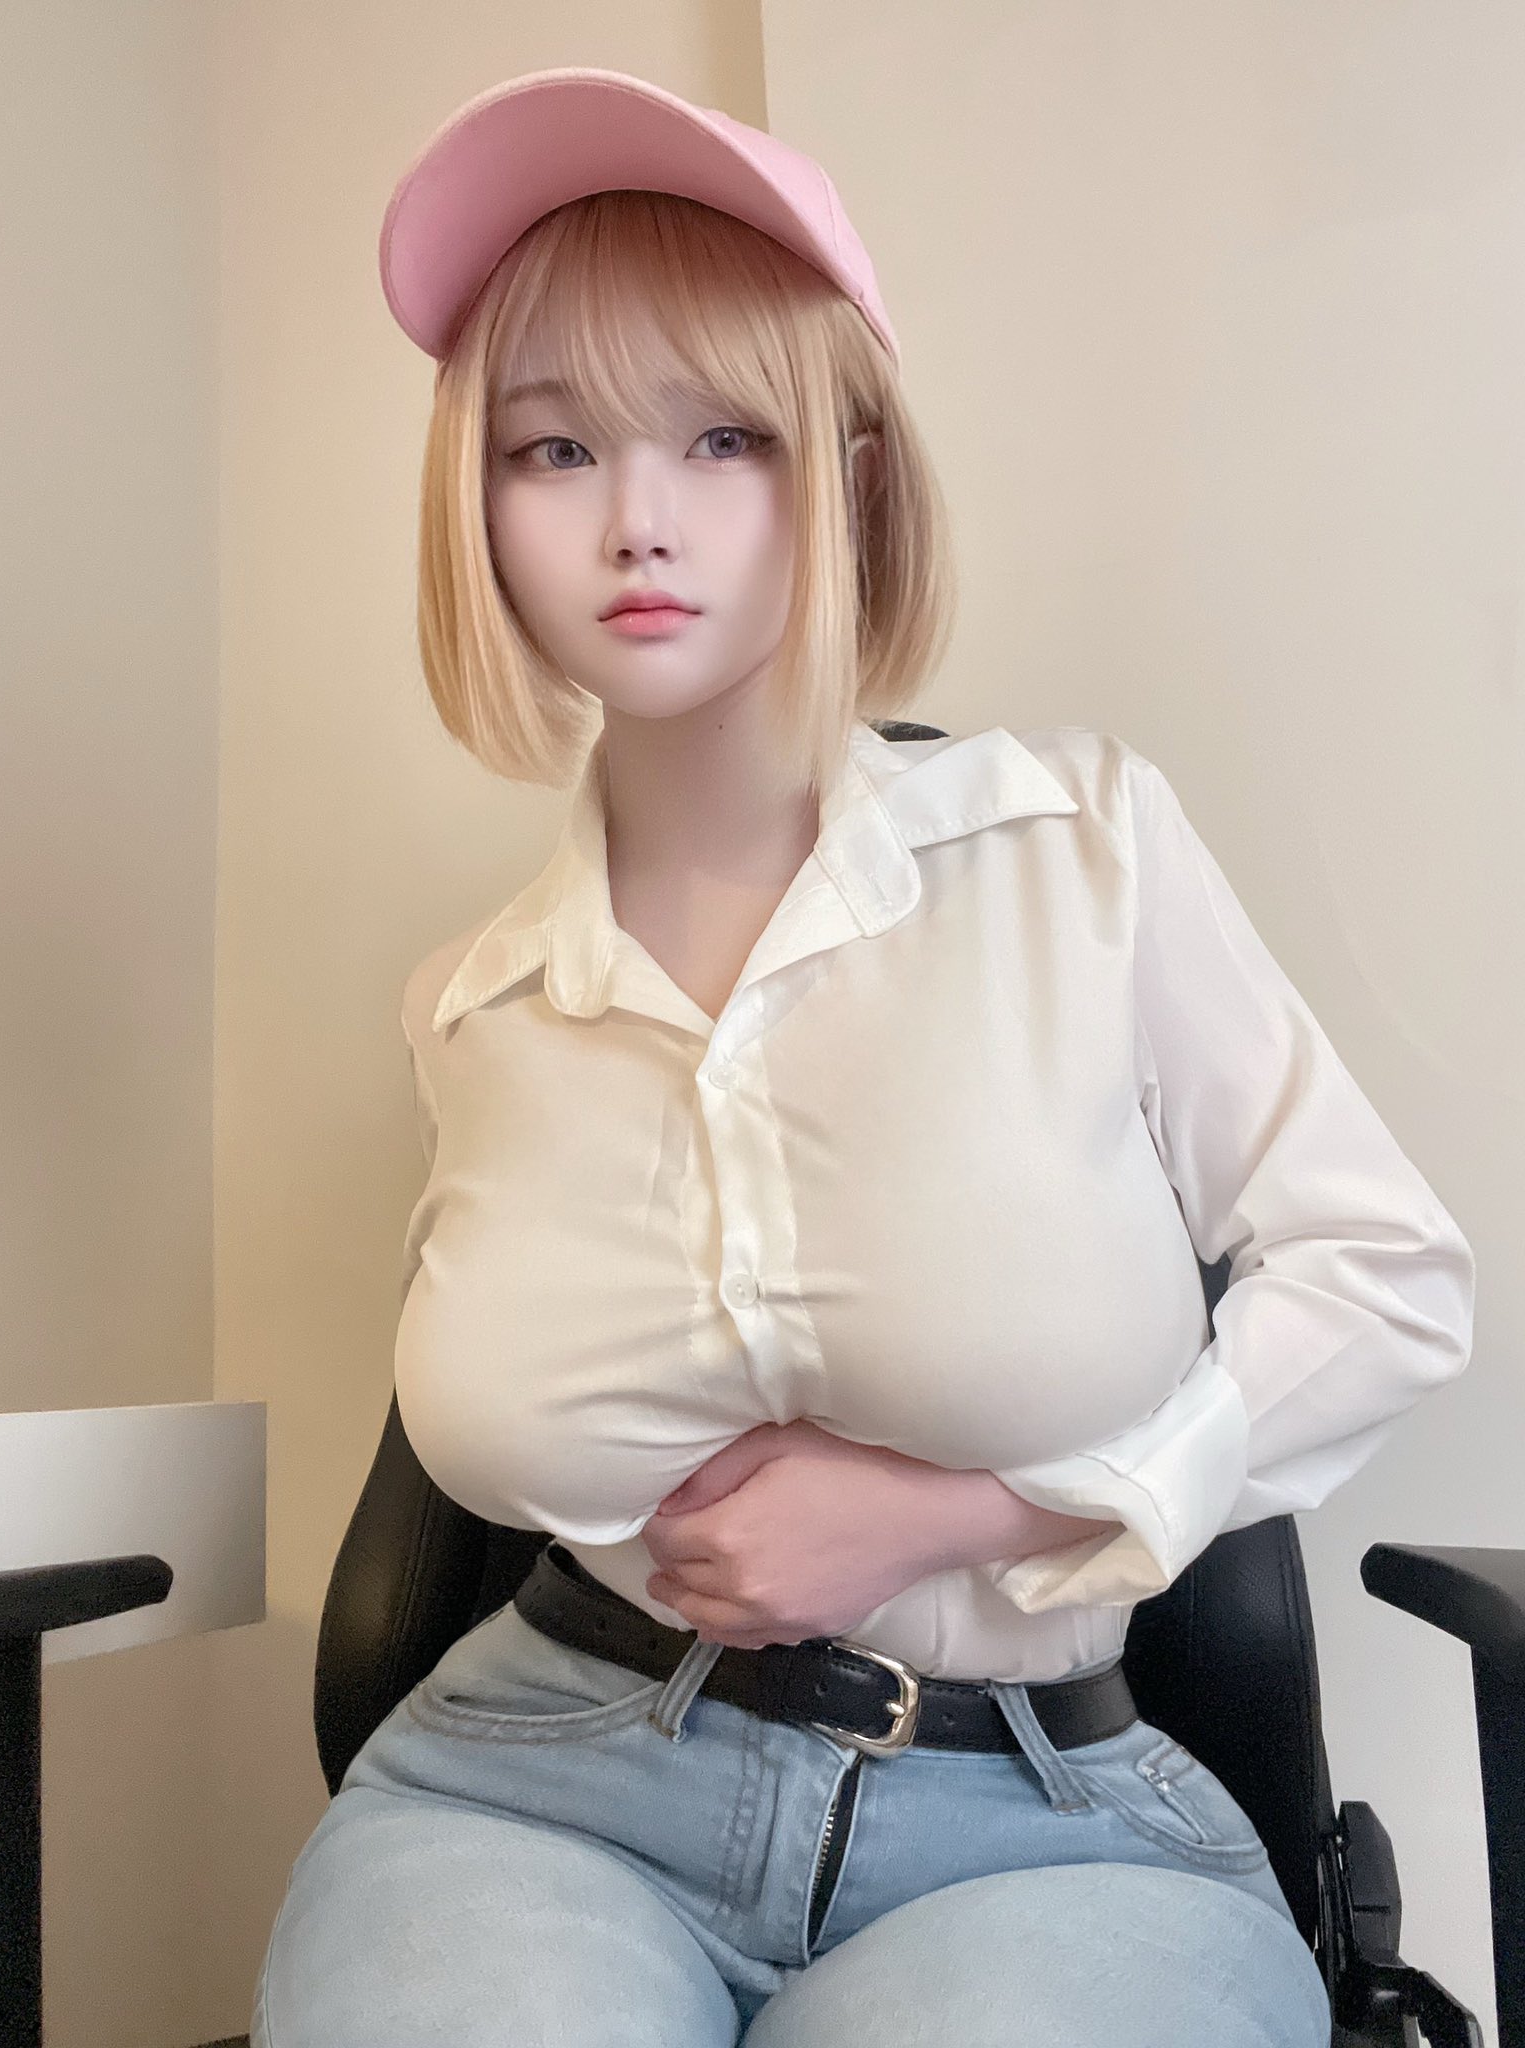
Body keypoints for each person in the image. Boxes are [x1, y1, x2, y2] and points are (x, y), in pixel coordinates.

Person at [250, 65, 1475, 2048]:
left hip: (1044, 1822)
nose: (637, 520)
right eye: (553, 448)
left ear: (852, 472)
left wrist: (977, 1512)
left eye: (723, 437)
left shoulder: (1083, 854)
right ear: (476, 503)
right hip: (535, 1785)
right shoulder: (474, 1009)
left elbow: (1389, 1279)